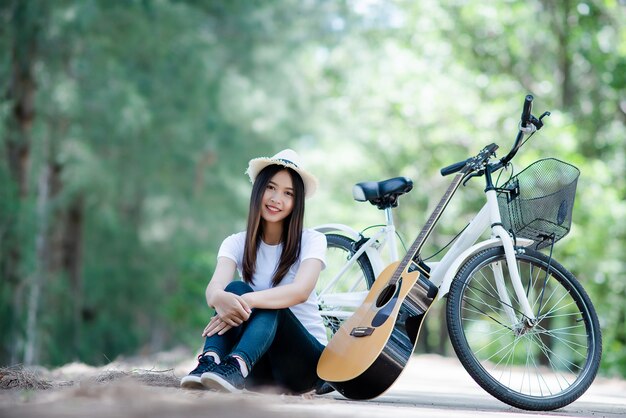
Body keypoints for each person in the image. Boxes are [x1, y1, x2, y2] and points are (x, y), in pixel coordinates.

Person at [180, 149, 327, 394]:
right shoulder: (236, 243)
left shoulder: (312, 240)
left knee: (271, 304)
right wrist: (220, 298)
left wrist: (247, 301)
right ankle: (211, 361)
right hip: (260, 365)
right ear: (258, 190)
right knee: (233, 289)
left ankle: (236, 364)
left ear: (297, 202)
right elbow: (214, 289)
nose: (276, 199)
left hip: (305, 365)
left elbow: (300, 292)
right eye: (271, 187)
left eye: (288, 193)